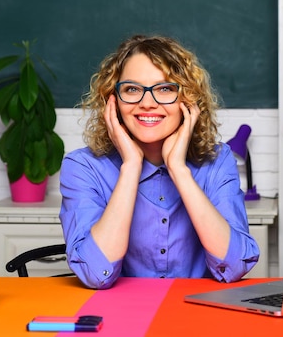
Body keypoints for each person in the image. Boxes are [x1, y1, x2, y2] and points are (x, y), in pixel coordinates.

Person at [59, 34, 260, 289]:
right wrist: (131, 165)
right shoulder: (83, 167)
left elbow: (235, 266)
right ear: (113, 100)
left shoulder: (218, 162)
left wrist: (178, 170)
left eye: (165, 89)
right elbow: (95, 274)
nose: (147, 103)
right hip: (117, 320)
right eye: (132, 89)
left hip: (198, 317)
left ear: (187, 99)